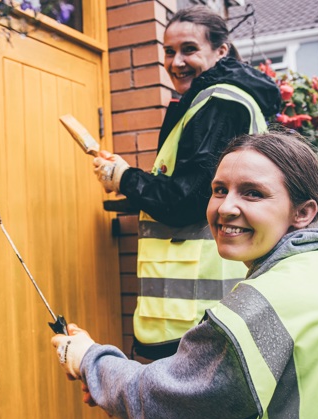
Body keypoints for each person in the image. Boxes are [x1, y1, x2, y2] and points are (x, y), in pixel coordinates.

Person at [54, 132, 318, 419]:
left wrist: (88, 358)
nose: (225, 207)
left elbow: (155, 399)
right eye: (219, 189)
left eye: (252, 193)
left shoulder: (265, 304)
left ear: (303, 212)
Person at [93, 4, 281, 359]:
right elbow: (195, 186)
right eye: (169, 51)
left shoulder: (220, 103)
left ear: (220, 50)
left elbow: (188, 199)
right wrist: (125, 180)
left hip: (195, 318)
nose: (176, 62)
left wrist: (125, 178)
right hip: (201, 315)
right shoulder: (215, 101)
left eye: (189, 49)